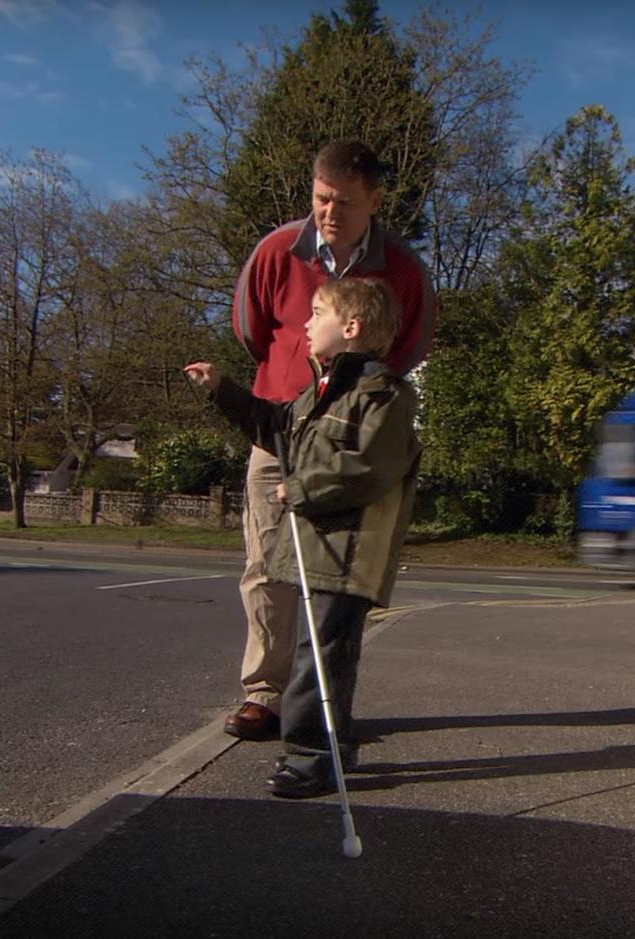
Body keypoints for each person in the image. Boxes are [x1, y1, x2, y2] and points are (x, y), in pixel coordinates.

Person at [224, 138, 435, 742]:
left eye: (344, 202)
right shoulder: (276, 252)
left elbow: (410, 344)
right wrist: (294, 392)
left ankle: (315, 710)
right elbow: (251, 330)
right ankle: (264, 694)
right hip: (281, 432)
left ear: (374, 201)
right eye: (320, 198)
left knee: (335, 581)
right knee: (265, 566)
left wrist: (354, 402)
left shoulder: (402, 269)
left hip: (349, 443)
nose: (329, 212)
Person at [185, 277, 421, 796]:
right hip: (318, 547)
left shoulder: (384, 395)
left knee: (320, 657)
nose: (306, 323)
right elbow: (276, 428)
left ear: (351, 327)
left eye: (317, 313)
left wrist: (299, 487)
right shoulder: (320, 393)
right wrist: (223, 390)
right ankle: (333, 747)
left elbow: (370, 467)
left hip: (349, 552)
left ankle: (311, 757)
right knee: (319, 653)